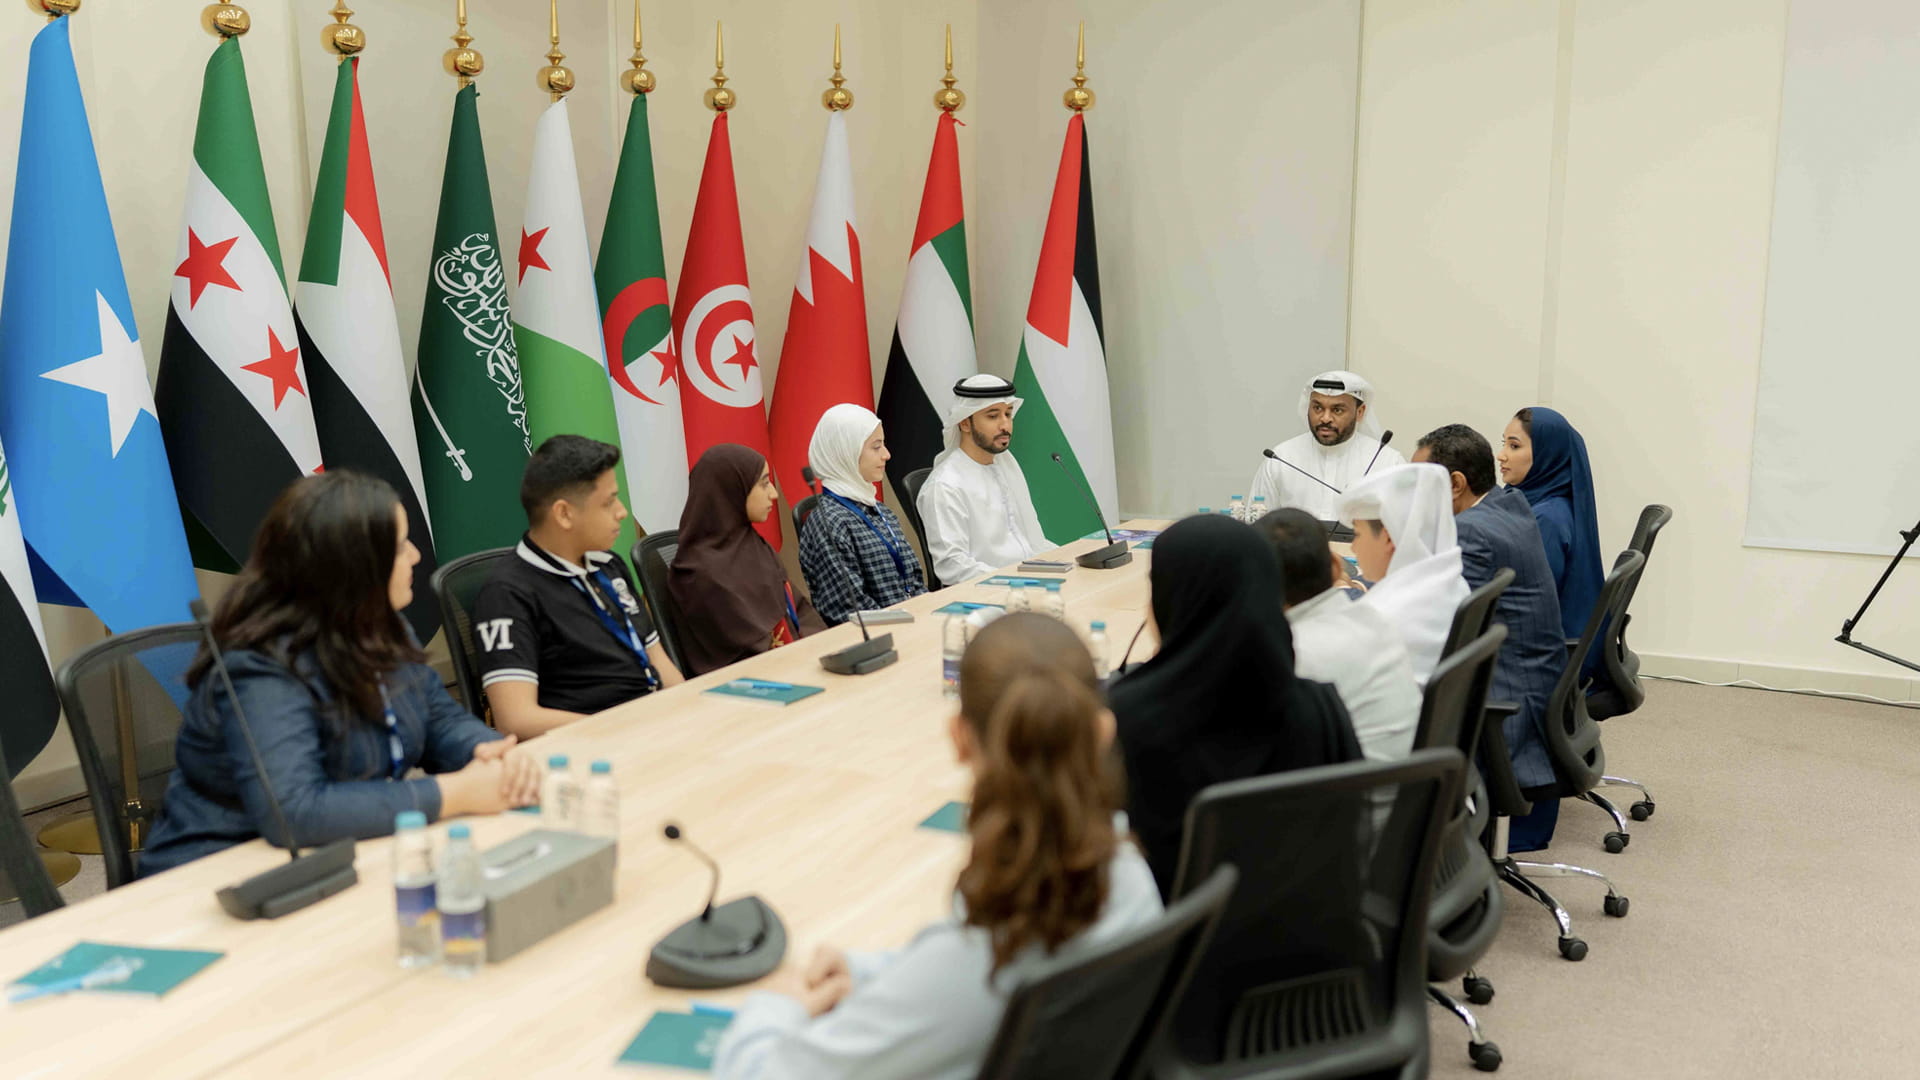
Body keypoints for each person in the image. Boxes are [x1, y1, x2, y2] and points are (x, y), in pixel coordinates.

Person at [711, 614, 1162, 1079]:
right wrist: (870, 974)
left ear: (958, 738)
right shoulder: (1130, 874)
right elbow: (942, 985)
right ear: (1102, 730)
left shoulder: (979, 958)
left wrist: (776, 1005)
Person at [142, 472, 540, 877]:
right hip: (218, 874)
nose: (416, 556)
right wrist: (451, 793)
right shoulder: (262, 667)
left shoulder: (381, 626)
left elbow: (439, 718)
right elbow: (294, 811)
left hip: (342, 852)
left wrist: (489, 753)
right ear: (354, 566)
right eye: (400, 546)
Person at [1109, 514, 1362, 897]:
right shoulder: (1321, 707)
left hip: (1179, 930)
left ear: (1171, 598)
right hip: (1311, 926)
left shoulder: (1125, 724)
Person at [1414, 424, 1567, 850]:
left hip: (1508, 695)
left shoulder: (1471, 532)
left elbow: (1439, 625)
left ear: (1455, 484)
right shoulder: (1508, 502)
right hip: (1535, 678)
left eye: (1419, 483)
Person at [475, 436, 684, 739]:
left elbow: (659, 663)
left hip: (652, 725)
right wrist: (620, 727)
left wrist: (687, 711)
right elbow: (516, 719)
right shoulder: (507, 593)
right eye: (609, 502)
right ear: (564, 513)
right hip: (591, 743)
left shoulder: (609, 565)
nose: (622, 512)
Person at [1259, 508, 1421, 769]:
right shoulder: (1374, 619)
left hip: (1358, 790)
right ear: (1337, 567)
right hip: (1408, 782)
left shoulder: (1292, 654)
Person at [671, 444, 825, 676]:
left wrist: (826, 646)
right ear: (732, 490)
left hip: (794, 664)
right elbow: (750, 649)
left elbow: (800, 612)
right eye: (763, 484)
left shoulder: (754, 545)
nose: (773, 493)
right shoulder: (698, 573)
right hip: (752, 682)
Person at [1337, 463, 1470, 686]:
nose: (1353, 548)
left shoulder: (1380, 618)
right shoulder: (1452, 582)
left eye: (1358, 535)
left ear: (1388, 537)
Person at [797, 404, 928, 626]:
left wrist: (928, 613)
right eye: (876, 447)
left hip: (912, 623)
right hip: (879, 635)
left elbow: (914, 581)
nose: (887, 455)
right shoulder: (828, 523)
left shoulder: (881, 510)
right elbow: (849, 611)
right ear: (845, 452)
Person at [917, 375, 1052, 585]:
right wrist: (1016, 582)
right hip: (987, 593)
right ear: (965, 423)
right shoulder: (945, 485)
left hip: (1029, 581)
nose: (1005, 425)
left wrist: (1068, 561)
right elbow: (952, 566)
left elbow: (1033, 543)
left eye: (1008, 414)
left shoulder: (1006, 466)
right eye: (993, 416)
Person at [1499, 407, 1606, 645]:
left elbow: (1531, 603)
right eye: (1504, 444)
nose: (1501, 455)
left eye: (1514, 446)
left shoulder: (1547, 518)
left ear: (1547, 454)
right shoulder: (1536, 502)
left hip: (1542, 649)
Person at [1249, 369, 1406, 522]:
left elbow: (1403, 527)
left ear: (1360, 412)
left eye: (1337, 410)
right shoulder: (1280, 459)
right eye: (1318, 408)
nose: (1325, 418)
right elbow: (1257, 525)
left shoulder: (1387, 463)